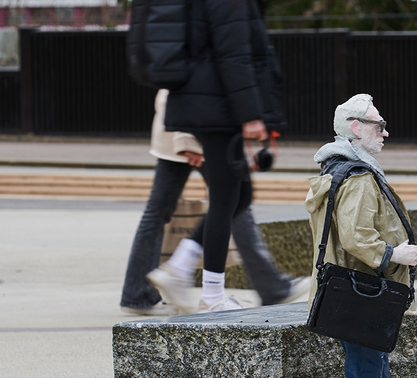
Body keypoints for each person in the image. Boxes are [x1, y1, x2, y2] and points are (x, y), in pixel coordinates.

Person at [147, 0, 287, 313]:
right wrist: (251, 115)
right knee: (228, 196)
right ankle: (210, 295)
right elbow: (234, 56)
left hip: (210, 103)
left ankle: (179, 268)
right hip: (219, 107)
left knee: (239, 194)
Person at [305, 93, 417, 378]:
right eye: (378, 125)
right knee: (365, 375)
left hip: (356, 290)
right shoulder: (355, 175)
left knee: (376, 375)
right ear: (355, 128)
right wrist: (395, 253)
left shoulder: (345, 169)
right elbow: (356, 237)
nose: (385, 132)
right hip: (361, 291)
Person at [121, 89, 307, 315]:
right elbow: (187, 76)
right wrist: (186, 138)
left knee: (220, 202)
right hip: (195, 126)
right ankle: (268, 286)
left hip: (187, 123)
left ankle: (139, 292)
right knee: (234, 200)